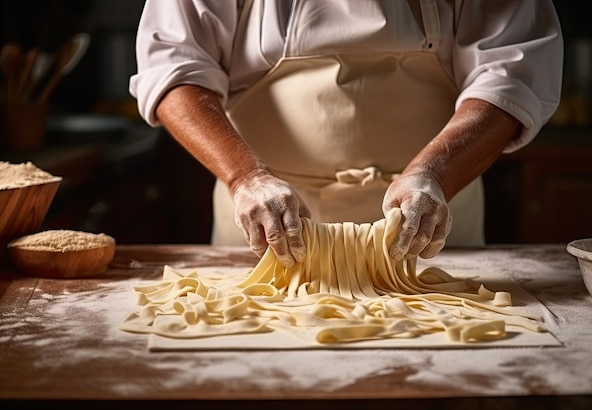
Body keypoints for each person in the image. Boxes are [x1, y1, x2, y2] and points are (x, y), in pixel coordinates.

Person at [130, 0, 563, 268]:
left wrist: (435, 173)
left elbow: (511, 75)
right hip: (265, 232)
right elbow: (173, 69)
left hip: (432, 231)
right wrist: (246, 177)